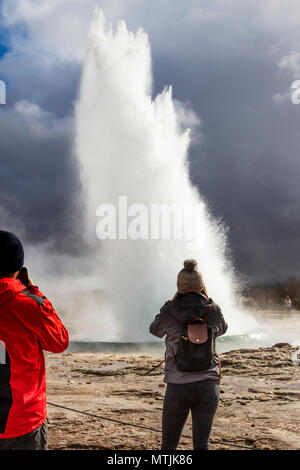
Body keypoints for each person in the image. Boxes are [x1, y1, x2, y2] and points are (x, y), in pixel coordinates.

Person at [0, 230, 69, 450]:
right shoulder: (27, 303)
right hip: (22, 422)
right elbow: (59, 341)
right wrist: (34, 291)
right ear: (18, 267)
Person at [149, 259, 227, 450]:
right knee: (202, 445)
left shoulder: (169, 310)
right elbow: (223, 329)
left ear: (179, 285)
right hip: (208, 383)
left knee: (169, 445)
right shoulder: (213, 310)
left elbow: (154, 330)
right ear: (201, 284)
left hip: (178, 385)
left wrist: (170, 305)